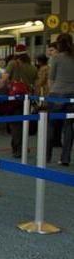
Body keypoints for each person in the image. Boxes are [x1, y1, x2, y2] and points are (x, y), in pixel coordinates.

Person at [0, 44, 37, 158]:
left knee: (15, 125)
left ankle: (17, 149)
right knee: (24, 123)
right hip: (28, 98)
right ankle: (23, 147)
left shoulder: (13, 63)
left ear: (16, 53)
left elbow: (4, 79)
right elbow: (36, 84)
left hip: (15, 98)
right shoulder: (32, 67)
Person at [49, 33, 74, 166]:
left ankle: (46, 156)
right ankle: (65, 159)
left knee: (50, 126)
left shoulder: (57, 58)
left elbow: (51, 79)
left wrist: (50, 93)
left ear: (59, 44)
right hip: (72, 96)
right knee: (68, 127)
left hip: (57, 93)